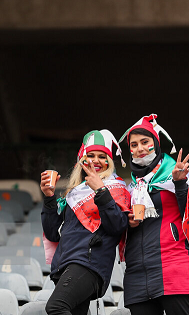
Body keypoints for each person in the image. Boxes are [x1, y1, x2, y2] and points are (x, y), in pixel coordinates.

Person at [119, 114, 189, 315]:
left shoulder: (174, 174)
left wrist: (180, 183)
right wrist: (127, 222)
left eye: (144, 142)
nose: (139, 148)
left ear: (156, 144)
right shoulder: (130, 188)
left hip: (173, 267)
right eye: (133, 144)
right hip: (137, 274)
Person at [40, 129, 131, 315]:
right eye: (90, 155)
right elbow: (52, 233)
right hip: (65, 265)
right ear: (82, 160)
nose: (96, 161)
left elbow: (117, 227)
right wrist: (49, 197)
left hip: (88, 265)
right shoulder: (74, 193)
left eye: (101, 156)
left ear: (109, 162)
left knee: (56, 307)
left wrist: (101, 191)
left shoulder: (117, 189)